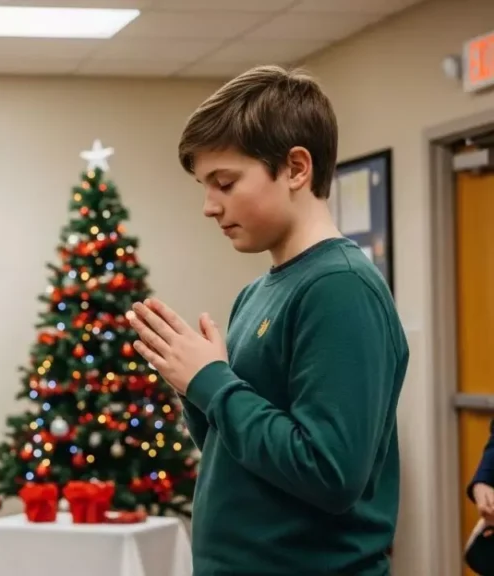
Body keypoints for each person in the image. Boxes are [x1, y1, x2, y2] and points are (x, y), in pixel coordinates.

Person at [125, 65, 408, 575]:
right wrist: (194, 385)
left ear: (296, 168)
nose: (209, 207)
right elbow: (243, 453)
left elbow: (329, 472)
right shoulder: (258, 292)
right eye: (204, 186)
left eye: (225, 182)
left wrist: (213, 382)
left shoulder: (340, 288)